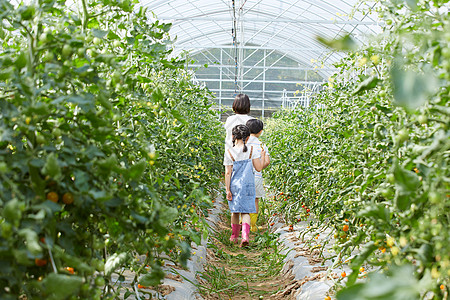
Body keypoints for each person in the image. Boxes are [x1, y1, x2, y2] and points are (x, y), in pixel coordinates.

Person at [224, 125, 268, 247]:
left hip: (235, 185)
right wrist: (263, 155)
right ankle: (245, 236)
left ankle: (234, 236)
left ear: (233, 137)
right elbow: (258, 168)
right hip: (249, 185)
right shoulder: (252, 150)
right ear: (247, 138)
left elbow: (228, 172)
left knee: (235, 212)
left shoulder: (229, 152)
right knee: (246, 212)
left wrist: (228, 189)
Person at [246, 119, 270, 232]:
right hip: (256, 177)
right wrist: (261, 162)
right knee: (255, 200)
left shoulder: (243, 143)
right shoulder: (262, 146)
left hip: (243, 177)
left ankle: (243, 223)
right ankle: (253, 226)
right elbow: (266, 162)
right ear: (260, 131)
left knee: (244, 199)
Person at [223, 94, 254, 165]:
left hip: (231, 153)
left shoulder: (230, 119)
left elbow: (228, 137)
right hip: (247, 155)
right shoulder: (251, 120)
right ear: (248, 106)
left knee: (230, 174)